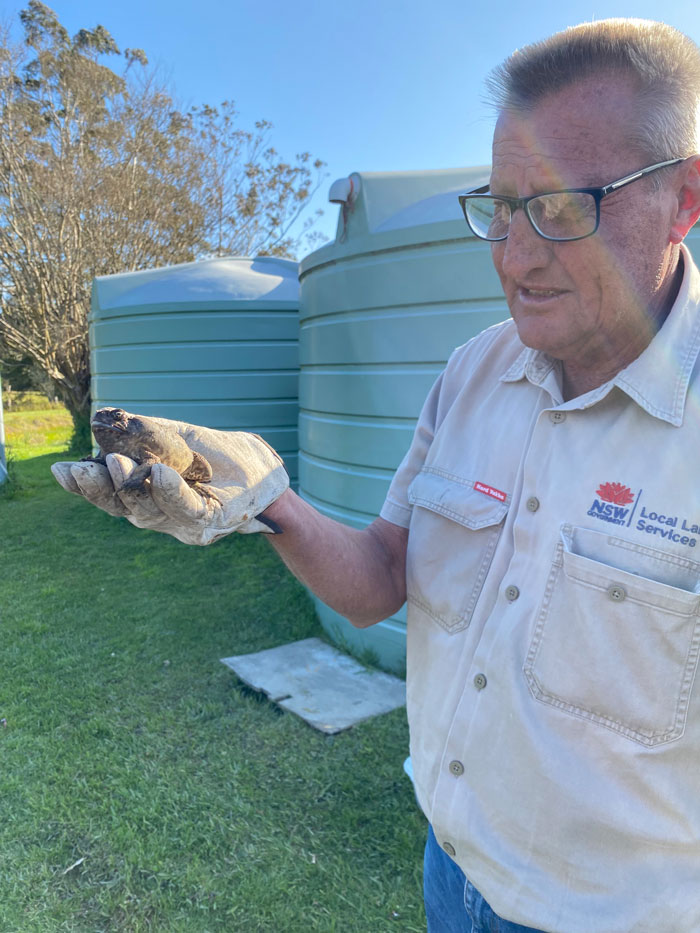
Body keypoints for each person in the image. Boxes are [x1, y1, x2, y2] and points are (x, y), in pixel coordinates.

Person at [52, 18, 700, 933]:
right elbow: (380, 582)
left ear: (683, 199)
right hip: (449, 872)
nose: (513, 258)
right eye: (502, 207)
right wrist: (265, 501)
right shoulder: (473, 372)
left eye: (562, 208)